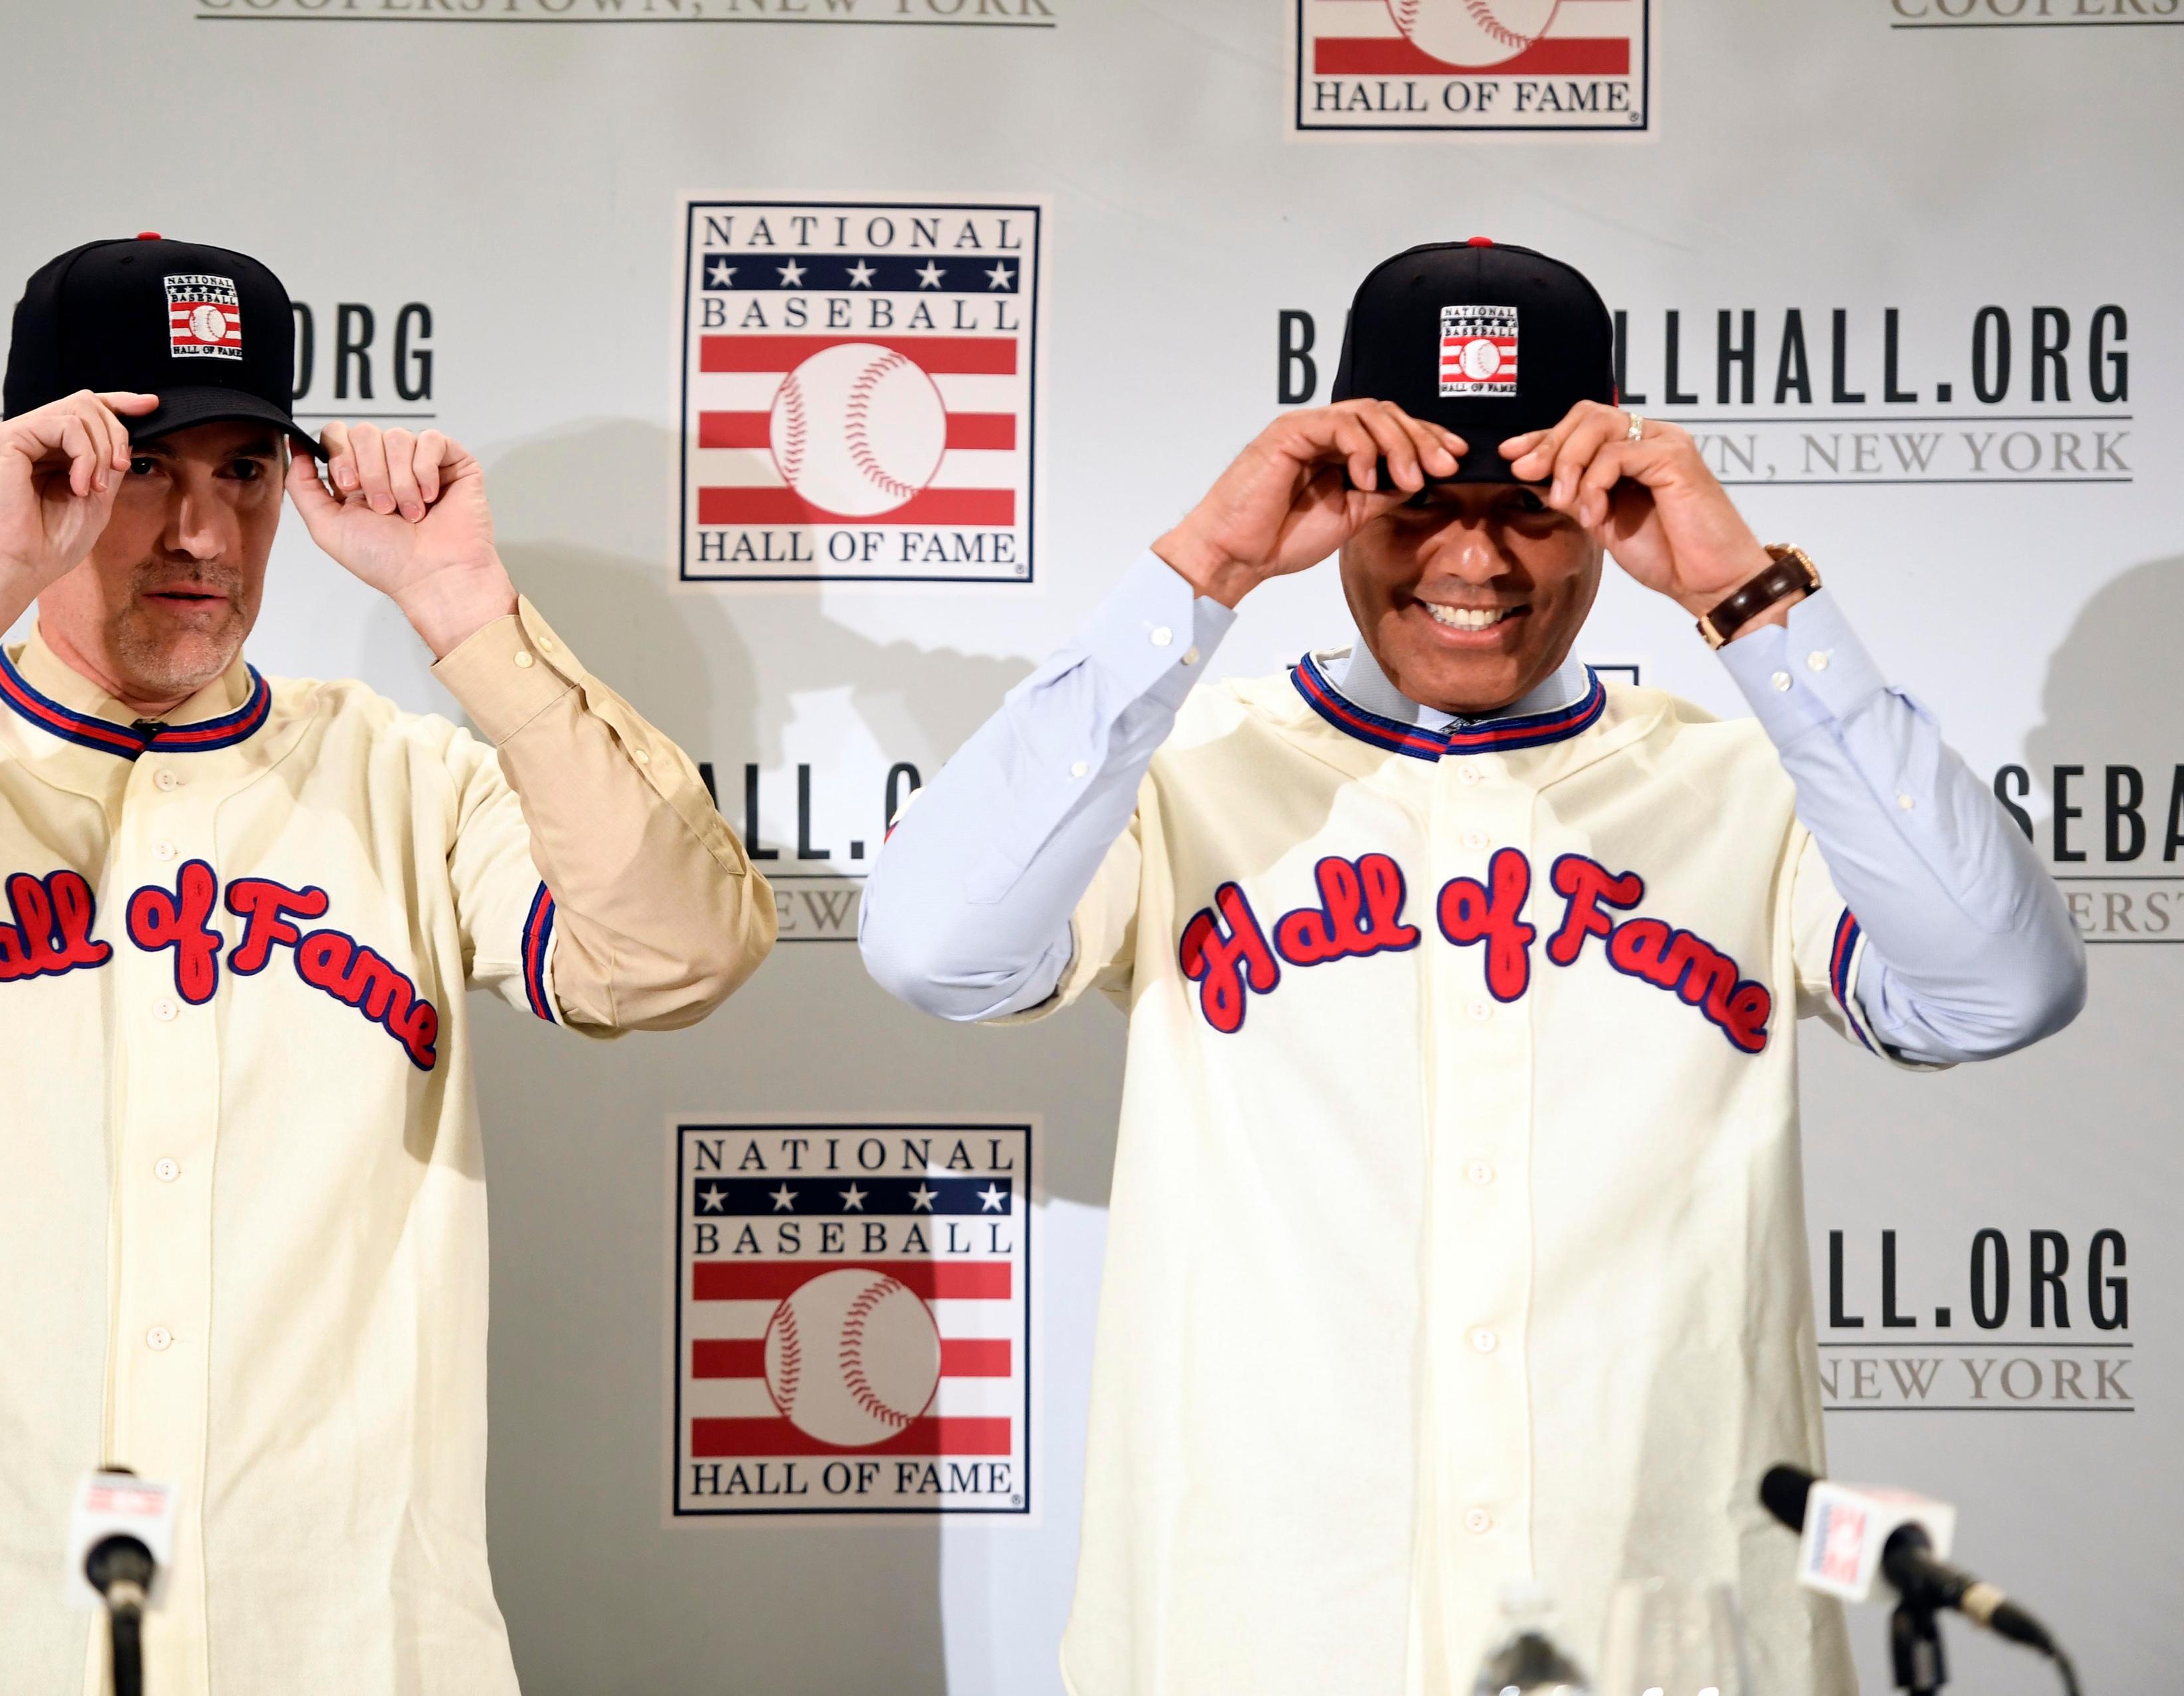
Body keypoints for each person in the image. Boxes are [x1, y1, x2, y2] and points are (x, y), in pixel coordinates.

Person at [858, 239, 2085, 1696]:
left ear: (1611, 500)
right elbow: (934, 946)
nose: (1477, 560)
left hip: (1670, 1644)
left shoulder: (1748, 788)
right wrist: (1207, 566)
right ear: (1338, 493)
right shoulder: (1187, 767)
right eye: (1426, 504)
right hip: (1268, 1642)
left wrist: (1754, 598)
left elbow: (2005, 985)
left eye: (1531, 509)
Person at [0, 235, 774, 1695]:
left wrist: (470, 616)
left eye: (244, 471)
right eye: (146, 466)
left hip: (336, 1648)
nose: (205, 534)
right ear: (47, 468)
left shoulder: (403, 780)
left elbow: (676, 950)